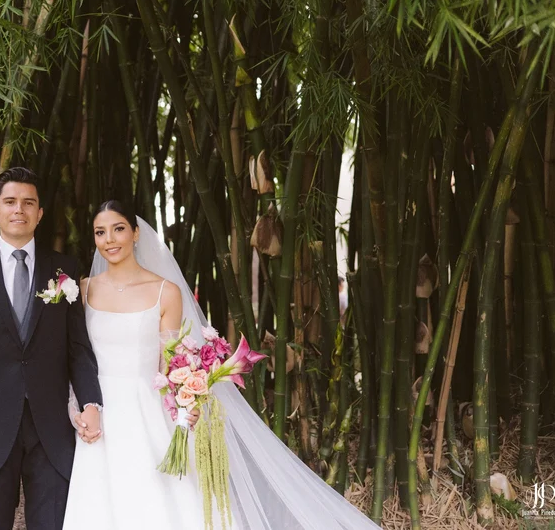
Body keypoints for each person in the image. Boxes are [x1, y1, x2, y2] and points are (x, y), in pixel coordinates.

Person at [64, 200, 380, 530]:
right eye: (101, 232)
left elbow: (170, 363)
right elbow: (75, 356)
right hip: (99, 412)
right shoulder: (84, 290)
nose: (110, 240)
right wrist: (77, 406)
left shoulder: (165, 292)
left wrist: (186, 401)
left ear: (136, 233)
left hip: (148, 412)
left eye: (118, 229)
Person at [0, 167, 102, 530]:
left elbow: (78, 349)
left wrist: (91, 402)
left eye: (28, 202)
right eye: (10, 202)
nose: (19, 210)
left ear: (40, 213)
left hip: (52, 424)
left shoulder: (65, 268)